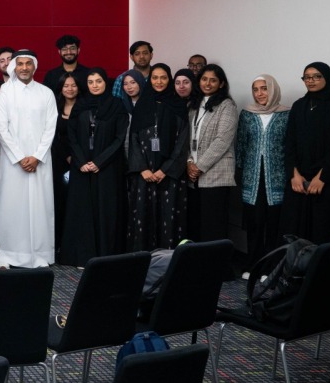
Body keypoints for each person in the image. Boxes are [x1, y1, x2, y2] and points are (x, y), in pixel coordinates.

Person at [0, 51, 58, 268]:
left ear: (35, 67)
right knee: (12, 207)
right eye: (19, 64)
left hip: (40, 161)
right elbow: (1, 129)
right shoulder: (4, 94)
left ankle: (40, 255)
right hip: (14, 162)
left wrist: (37, 156)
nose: (24, 67)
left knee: (41, 207)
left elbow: (51, 127)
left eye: (28, 63)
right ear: (14, 67)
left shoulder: (46, 93)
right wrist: (20, 157)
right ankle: (8, 255)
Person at [60, 68, 128, 266]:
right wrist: (81, 162)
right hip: (82, 168)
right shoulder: (80, 105)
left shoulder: (117, 106)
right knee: (82, 212)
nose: (95, 85)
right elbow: (71, 136)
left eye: (98, 81)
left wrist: (99, 162)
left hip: (107, 167)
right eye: (90, 82)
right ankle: (82, 256)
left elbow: (119, 138)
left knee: (105, 210)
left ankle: (104, 257)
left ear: (106, 82)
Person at [125, 65, 189, 251]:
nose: (159, 82)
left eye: (163, 78)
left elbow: (182, 143)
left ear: (169, 80)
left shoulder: (178, 106)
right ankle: (141, 260)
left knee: (169, 217)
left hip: (168, 175)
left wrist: (165, 170)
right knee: (142, 216)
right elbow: (133, 139)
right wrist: (142, 168)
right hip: (143, 174)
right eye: (155, 78)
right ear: (149, 80)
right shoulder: (142, 105)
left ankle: (168, 262)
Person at [283, 62, 330, 243]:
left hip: (328, 180)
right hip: (299, 181)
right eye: (307, 77)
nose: (311, 81)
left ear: (327, 78)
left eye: (317, 76)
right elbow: (289, 141)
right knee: (295, 231)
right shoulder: (299, 105)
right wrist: (294, 174)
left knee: (324, 230)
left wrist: (322, 176)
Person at [236, 75, 290, 270]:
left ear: (273, 89)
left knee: (274, 226)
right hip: (252, 179)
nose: (259, 93)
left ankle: (272, 268)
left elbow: (290, 147)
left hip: (277, 178)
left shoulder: (286, 114)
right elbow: (240, 146)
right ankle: (253, 266)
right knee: (255, 224)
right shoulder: (247, 114)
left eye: (264, 88)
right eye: (256, 89)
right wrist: (240, 174)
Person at [185, 64, 238, 243]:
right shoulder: (192, 105)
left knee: (213, 227)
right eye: (204, 79)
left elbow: (222, 140)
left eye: (213, 80)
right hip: (193, 175)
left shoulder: (227, 105)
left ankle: (215, 268)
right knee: (195, 225)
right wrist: (189, 162)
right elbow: (186, 137)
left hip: (216, 174)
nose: (208, 83)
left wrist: (199, 167)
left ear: (221, 84)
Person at [51, 73, 80, 255]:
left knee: (77, 204)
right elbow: (52, 135)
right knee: (60, 202)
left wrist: (76, 157)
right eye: (66, 85)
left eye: (73, 85)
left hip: (81, 162)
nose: (70, 89)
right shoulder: (55, 107)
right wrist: (65, 156)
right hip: (58, 162)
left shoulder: (85, 107)